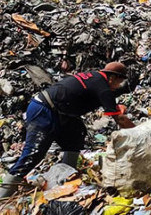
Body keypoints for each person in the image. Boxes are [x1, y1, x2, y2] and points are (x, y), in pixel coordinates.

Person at [0, 62, 136, 199]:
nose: (119, 86)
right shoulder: (103, 87)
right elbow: (120, 119)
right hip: (44, 109)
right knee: (33, 154)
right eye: (120, 81)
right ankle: (3, 195)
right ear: (113, 77)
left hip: (60, 113)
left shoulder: (95, 78)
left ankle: (65, 179)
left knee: (76, 134)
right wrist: (140, 133)